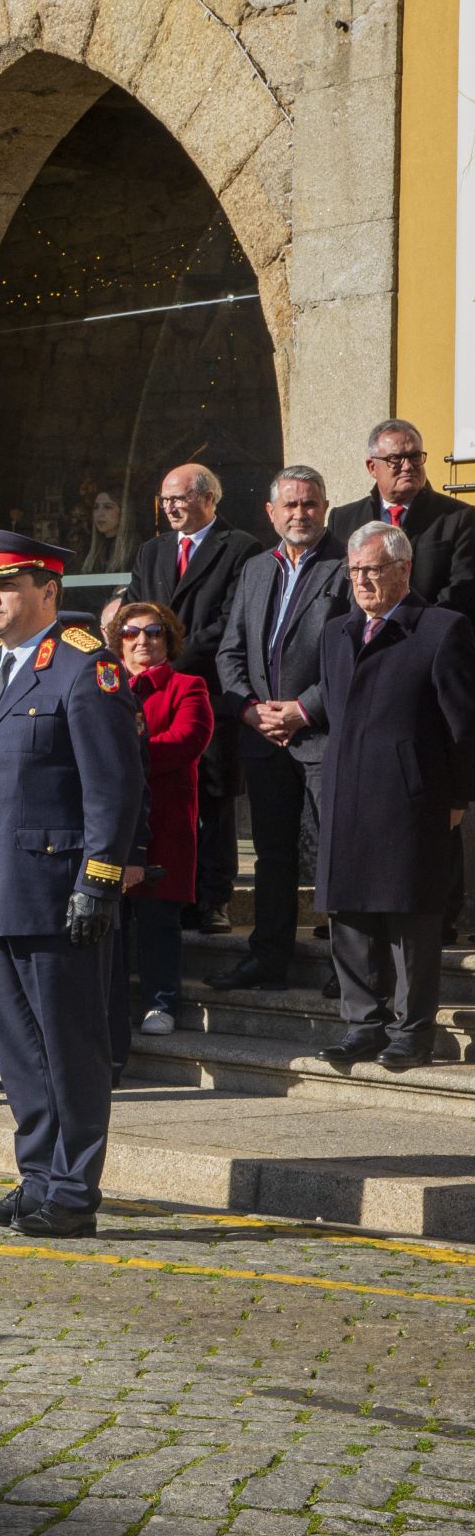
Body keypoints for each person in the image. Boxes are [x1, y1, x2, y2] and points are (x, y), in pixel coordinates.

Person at [0, 529, 142, 1242]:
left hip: (60, 892)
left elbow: (113, 786)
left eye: (8, 585)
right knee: (19, 1052)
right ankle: (37, 1177)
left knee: (71, 1047)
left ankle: (72, 1189)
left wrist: (99, 878)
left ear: (49, 592)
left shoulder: (84, 671)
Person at [313, 522, 475, 1066]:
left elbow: (463, 727)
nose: (361, 580)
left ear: (403, 569)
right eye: (354, 570)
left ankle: (412, 1033)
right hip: (346, 791)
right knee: (350, 914)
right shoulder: (337, 632)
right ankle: (363, 1024)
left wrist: (456, 797)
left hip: (411, 797)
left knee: (411, 917)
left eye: (373, 569)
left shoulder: (440, 629)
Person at [210, 466, 349, 989]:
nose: (300, 513)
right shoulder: (256, 570)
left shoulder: (345, 566)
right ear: (271, 513)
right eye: (289, 505)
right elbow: (230, 651)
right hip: (264, 738)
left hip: (322, 735)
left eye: (309, 504)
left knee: (332, 854)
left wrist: (303, 710)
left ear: (325, 507)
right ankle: (268, 955)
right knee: (272, 854)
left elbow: (353, 655)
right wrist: (249, 708)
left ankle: (346, 963)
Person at [123, 463, 260, 934]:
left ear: (209, 498)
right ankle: (173, 893)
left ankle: (214, 899)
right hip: (154, 694)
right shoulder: (151, 551)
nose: (171, 507)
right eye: (165, 500)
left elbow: (232, 621)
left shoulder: (241, 548)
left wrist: (173, 657)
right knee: (166, 796)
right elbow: (136, 610)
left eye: (180, 498)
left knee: (215, 800)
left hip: (207, 689)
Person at [104, 602, 211, 1064]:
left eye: (154, 633)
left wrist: (120, 754)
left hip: (163, 821)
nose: (142, 641)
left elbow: (187, 740)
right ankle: (113, 1006)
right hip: (111, 821)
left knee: (157, 918)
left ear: (169, 640)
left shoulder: (189, 686)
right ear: (118, 641)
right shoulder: (104, 687)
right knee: (112, 918)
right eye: (132, 633)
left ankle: (161, 1001)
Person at [326, 419, 475, 617]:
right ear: (372, 467)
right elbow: (336, 588)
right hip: (360, 638)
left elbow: (462, 589)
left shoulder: (459, 518)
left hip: (426, 637)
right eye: (395, 459)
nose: (408, 466)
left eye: (414, 456)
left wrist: (415, 628)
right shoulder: (344, 519)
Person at [77, 482, 131, 576]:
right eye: (96, 507)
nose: (99, 513)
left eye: (108, 507)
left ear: (123, 512)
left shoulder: (136, 551)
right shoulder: (88, 549)